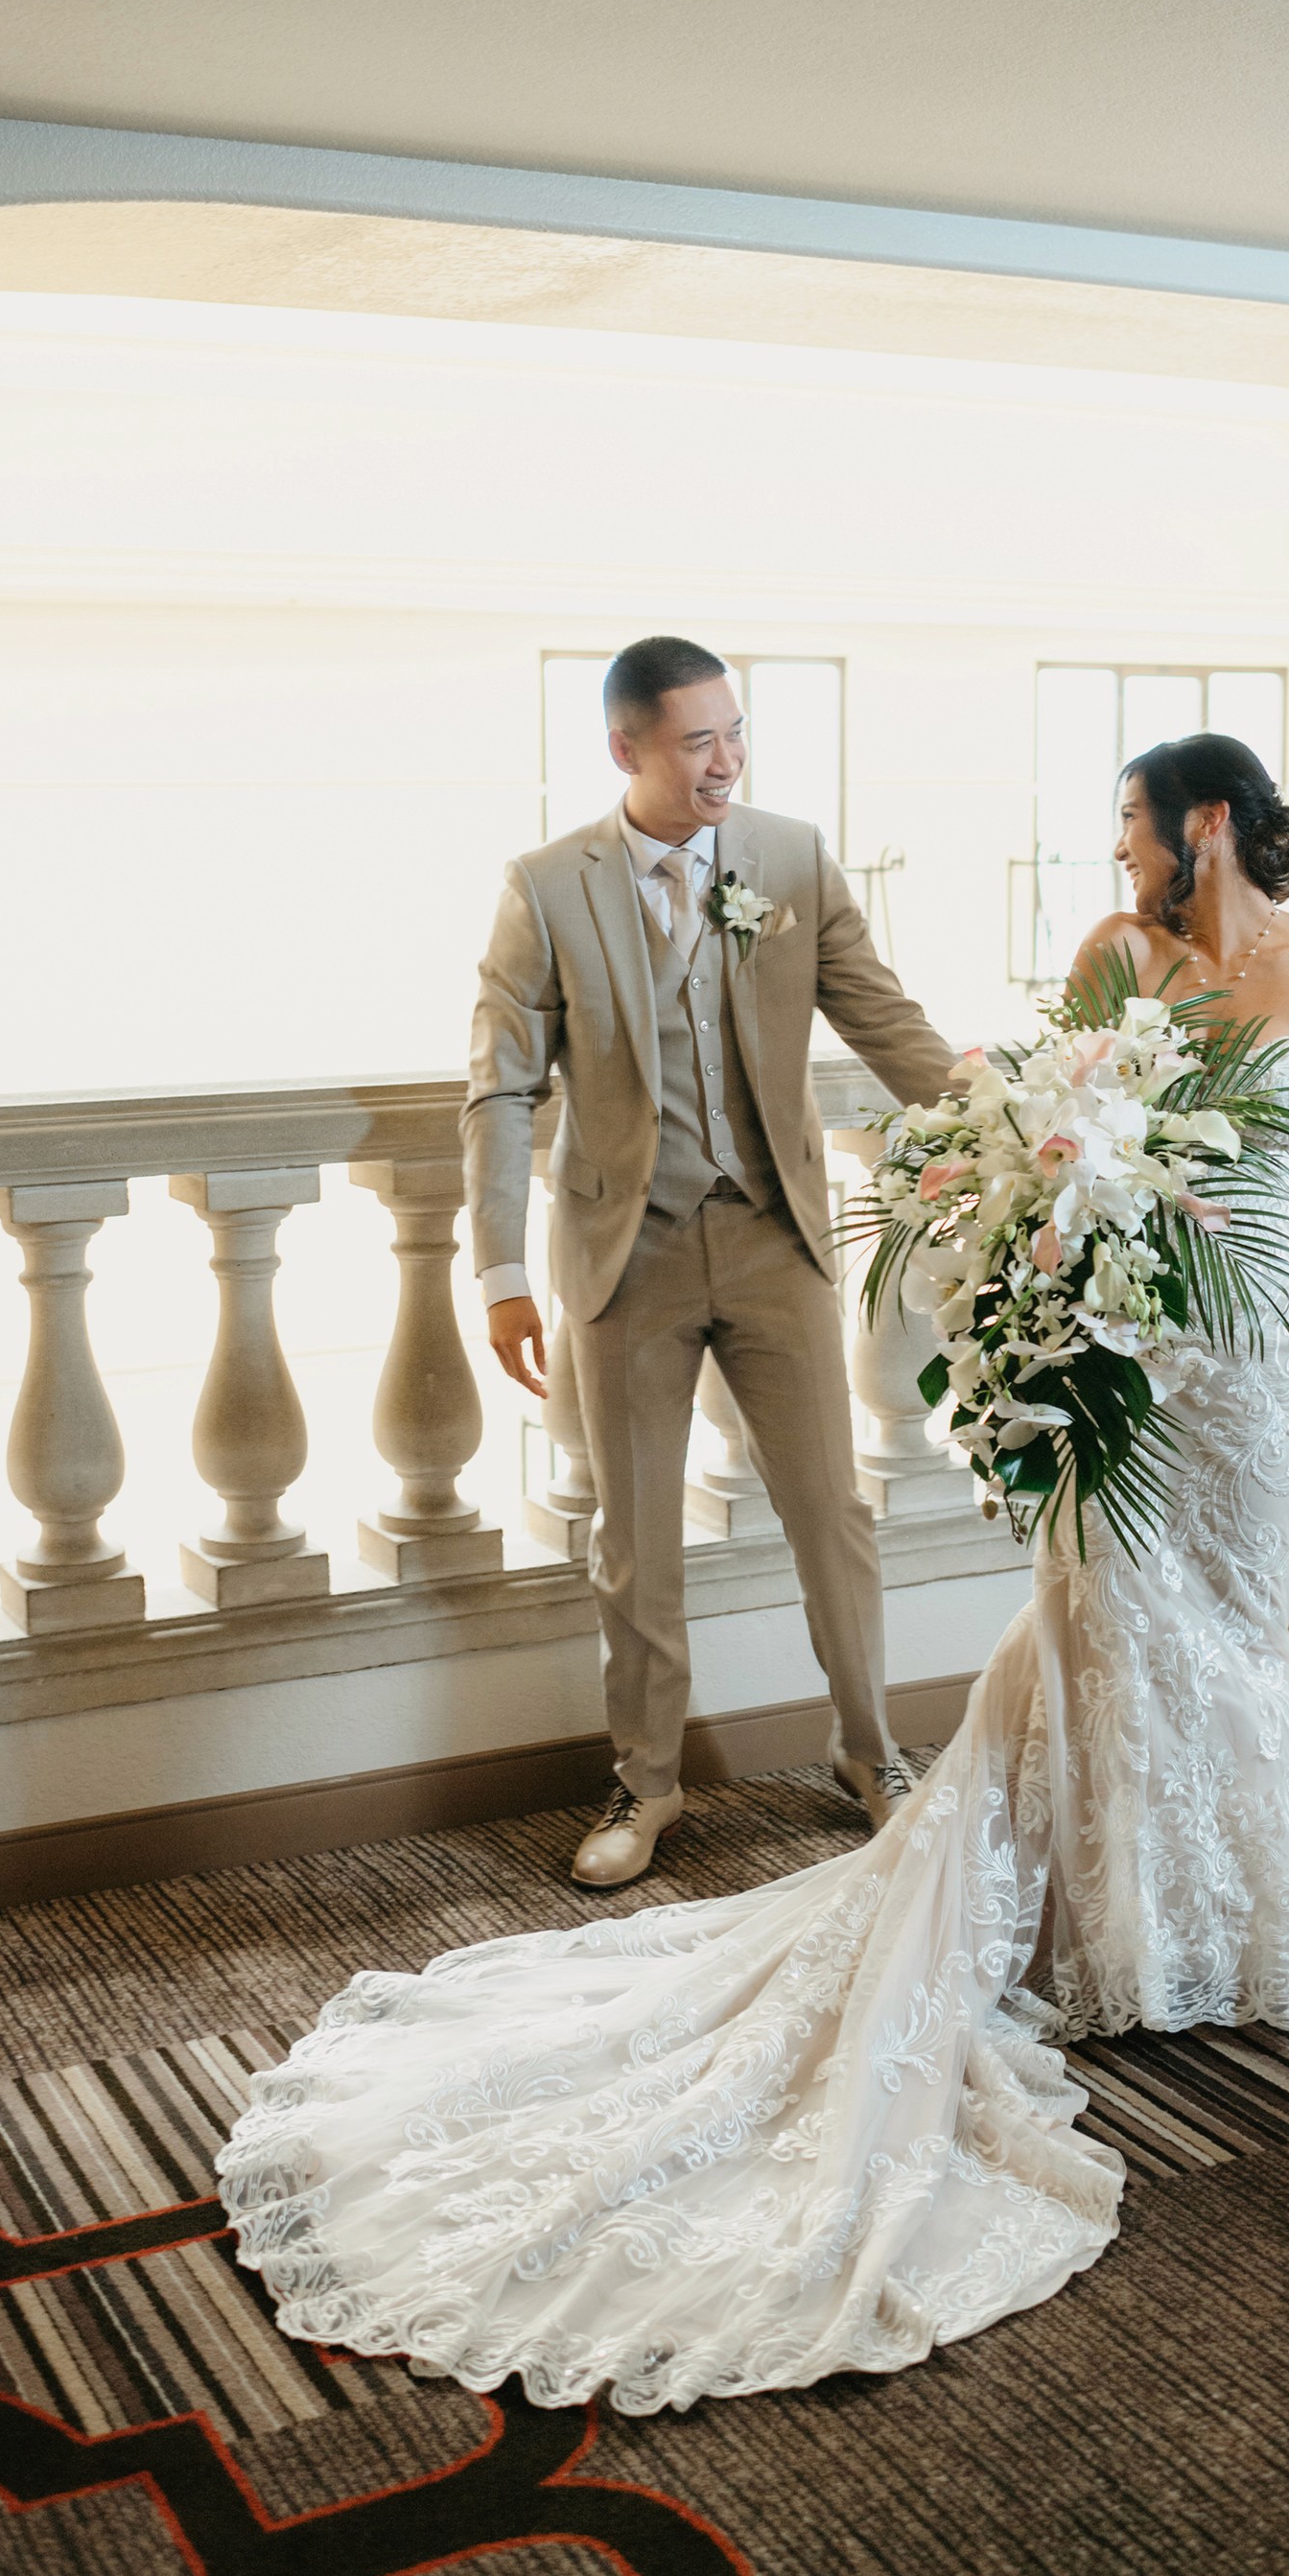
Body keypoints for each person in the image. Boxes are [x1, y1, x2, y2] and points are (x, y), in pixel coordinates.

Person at [217, 730, 1289, 2416]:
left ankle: (1212, 1917)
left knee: (1222, 1603)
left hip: (1259, 1332)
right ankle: (1112, 1924)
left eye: (1130, 828)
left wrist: (1213, 1198)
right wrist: (1062, 1227)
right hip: (1132, 1336)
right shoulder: (1113, 958)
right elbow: (1050, 1113)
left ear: (1204, 822)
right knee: (1117, 1601)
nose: (1117, 856)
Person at [463, 634, 962, 1885]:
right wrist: (501, 1274)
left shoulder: (789, 858)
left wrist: (1005, 1125)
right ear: (625, 749)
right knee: (634, 1536)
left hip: (775, 1242)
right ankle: (647, 1787)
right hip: (622, 1259)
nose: (727, 760)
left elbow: (882, 1016)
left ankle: (868, 1750)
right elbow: (500, 1088)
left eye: (737, 733)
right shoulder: (545, 886)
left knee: (831, 1513)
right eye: (699, 740)